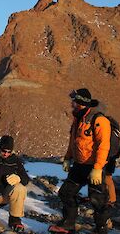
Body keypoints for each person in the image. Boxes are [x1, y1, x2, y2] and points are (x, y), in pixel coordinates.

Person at [57, 88, 111, 234]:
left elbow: (104, 146)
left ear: (80, 102)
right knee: (65, 193)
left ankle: (101, 229)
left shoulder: (99, 120)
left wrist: (98, 168)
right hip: (79, 165)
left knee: (98, 200)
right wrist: (68, 158)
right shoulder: (78, 119)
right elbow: (73, 141)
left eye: (74, 101)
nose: (72, 103)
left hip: (94, 167)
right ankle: (68, 223)